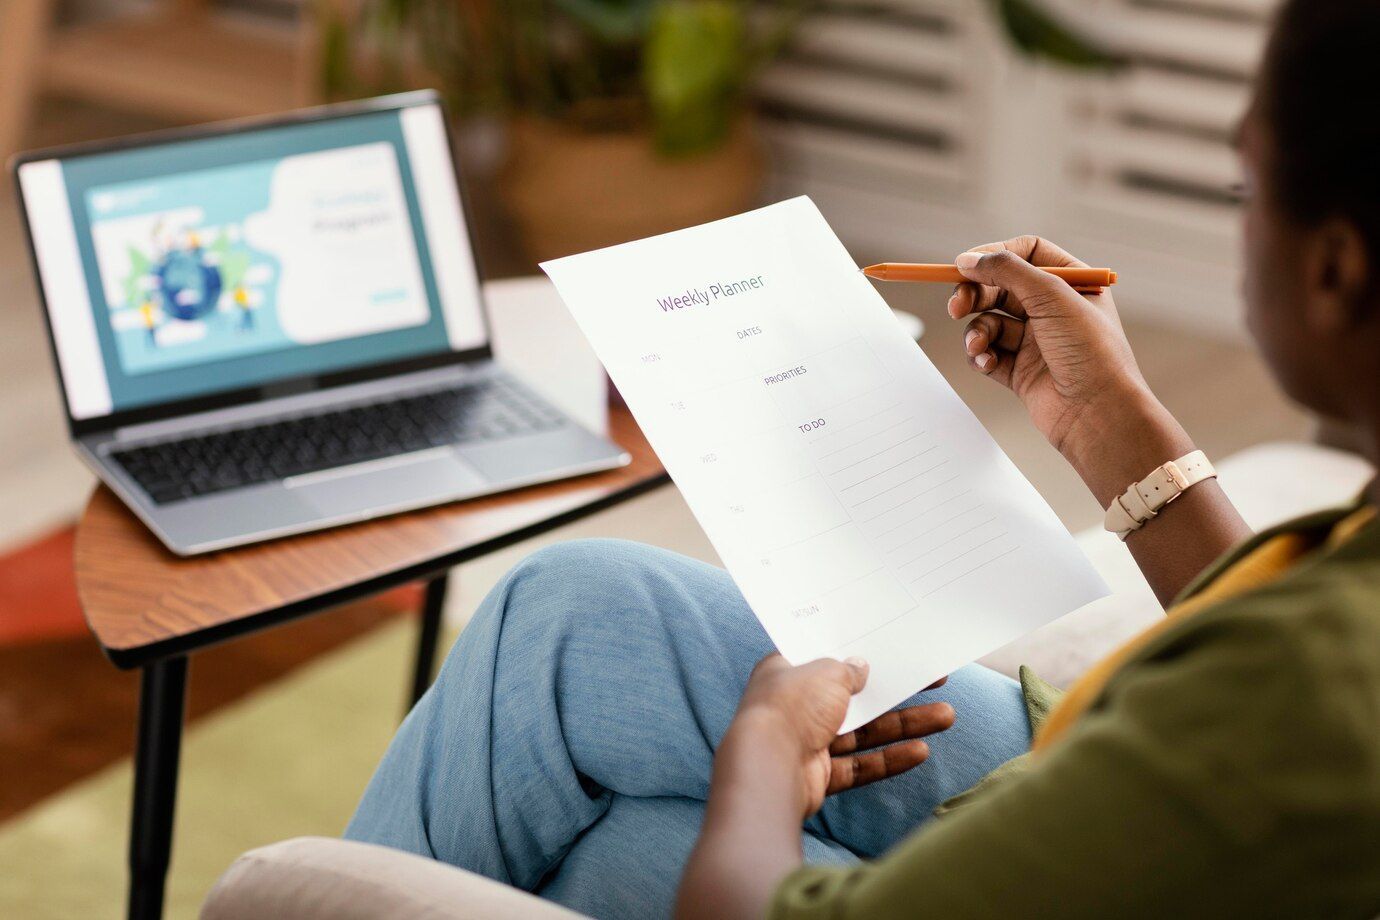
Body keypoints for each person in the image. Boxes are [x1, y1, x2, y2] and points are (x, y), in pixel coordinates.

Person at [346, 0, 1380, 915]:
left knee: (614, 830)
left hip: (1147, 825)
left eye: (1246, 187)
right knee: (574, 611)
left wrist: (764, 752)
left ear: (1335, 265)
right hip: (1148, 801)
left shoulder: (1285, 696)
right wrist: (1110, 419)